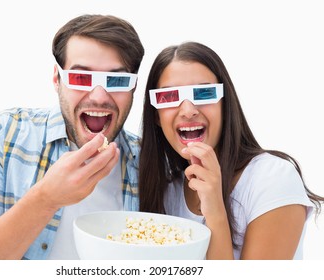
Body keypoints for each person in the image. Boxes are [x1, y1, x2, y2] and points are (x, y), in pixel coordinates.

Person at [0, 14, 144, 260]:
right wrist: (46, 198)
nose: (100, 96)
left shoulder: (147, 161)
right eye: (80, 78)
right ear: (56, 79)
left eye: (117, 80)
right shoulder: (7, 133)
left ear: (134, 87)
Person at [138, 41, 324, 259]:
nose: (188, 110)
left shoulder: (272, 179)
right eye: (169, 97)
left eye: (204, 92)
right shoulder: (167, 191)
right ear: (156, 117)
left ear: (225, 106)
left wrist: (215, 210)